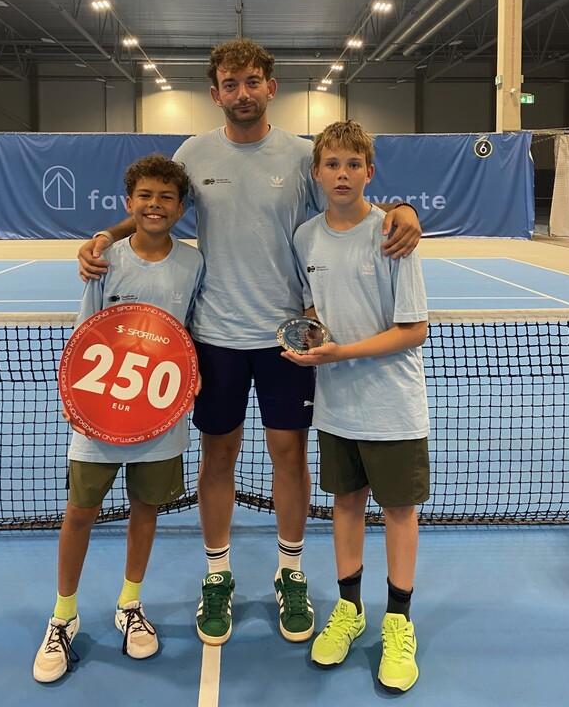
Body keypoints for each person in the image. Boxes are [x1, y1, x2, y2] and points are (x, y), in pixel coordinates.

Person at [77, 39, 422, 648]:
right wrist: (106, 235)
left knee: (289, 456)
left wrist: (403, 207)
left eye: (252, 82)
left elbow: (349, 199)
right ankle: (218, 575)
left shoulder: (301, 155)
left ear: (271, 87)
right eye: (231, 84)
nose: (242, 93)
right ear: (216, 93)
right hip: (213, 336)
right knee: (219, 457)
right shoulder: (193, 152)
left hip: (287, 337)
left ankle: (290, 571)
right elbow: (157, 206)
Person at [33, 155, 204, 683]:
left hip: (161, 414)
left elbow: (191, 332)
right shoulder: (106, 258)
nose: (155, 205)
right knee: (80, 511)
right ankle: (63, 615)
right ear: (129, 203)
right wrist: (75, 398)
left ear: (181, 208)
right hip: (99, 413)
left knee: (145, 509)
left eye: (166, 197)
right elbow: (87, 331)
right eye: (145, 196)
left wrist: (190, 378)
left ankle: (130, 604)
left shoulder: (194, 263)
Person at [282, 120, 429, 693]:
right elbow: (313, 309)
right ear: (317, 172)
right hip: (336, 405)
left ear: (370, 172)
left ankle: (398, 621)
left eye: (352, 165)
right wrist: (313, 338)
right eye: (332, 164)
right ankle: (349, 610)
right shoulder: (305, 238)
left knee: (398, 512)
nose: (342, 174)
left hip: (392, 405)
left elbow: (413, 329)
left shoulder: (393, 233)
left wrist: (340, 353)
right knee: (345, 504)